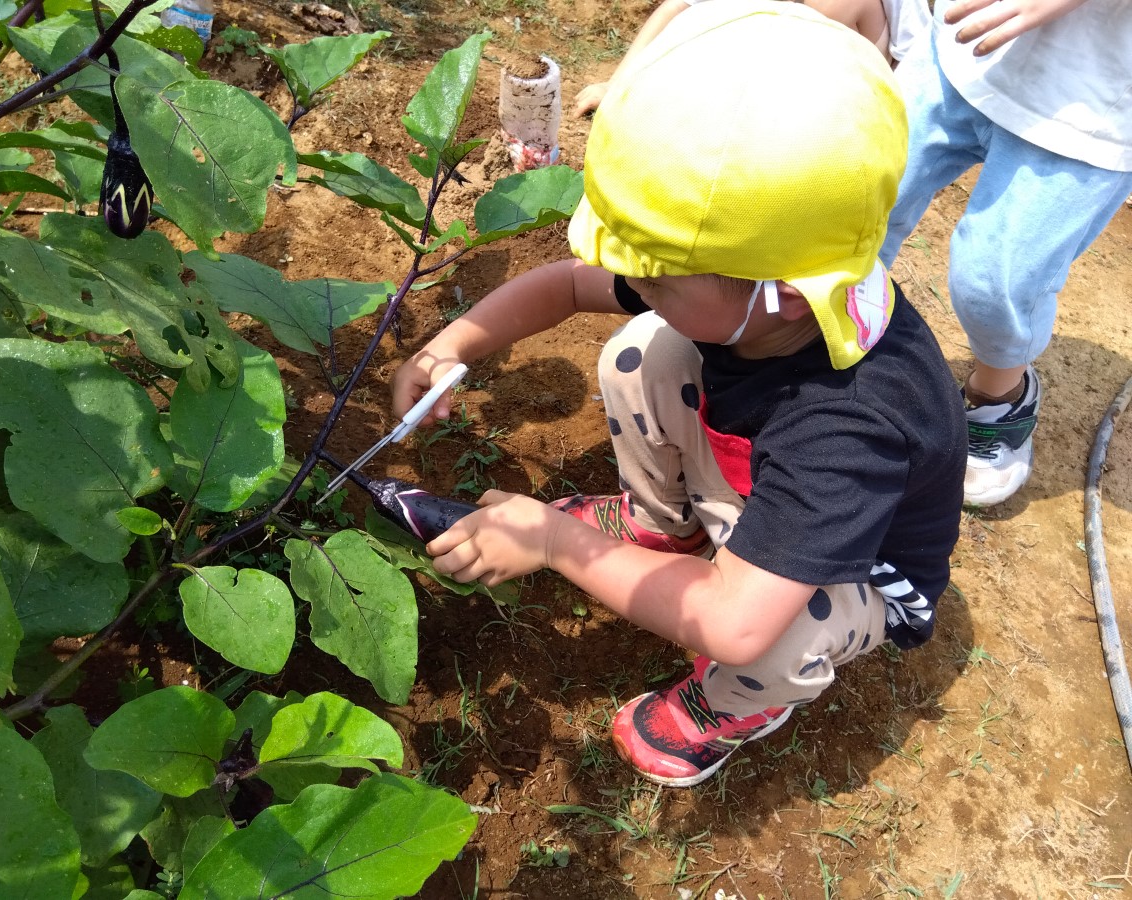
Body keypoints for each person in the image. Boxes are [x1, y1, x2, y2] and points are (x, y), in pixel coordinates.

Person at [391, 1, 967, 788]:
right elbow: (563, 284)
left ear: (785, 295)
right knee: (645, 350)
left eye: (657, 271)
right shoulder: (765, 281)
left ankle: (729, 707)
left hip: (856, 576)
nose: (635, 278)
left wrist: (557, 544)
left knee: (777, 634)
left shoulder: (850, 425)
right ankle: (663, 526)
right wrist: (449, 345)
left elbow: (733, 622)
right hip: (760, 480)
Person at [879, 0, 1132, 507]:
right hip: (960, 52)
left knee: (994, 285)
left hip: (1088, 107)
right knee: (859, 201)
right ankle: (824, 339)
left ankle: (1001, 395)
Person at [572, 0, 930, 118]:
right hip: (758, 93)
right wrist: (615, 84)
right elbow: (680, 7)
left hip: (851, 102)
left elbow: (914, 58)